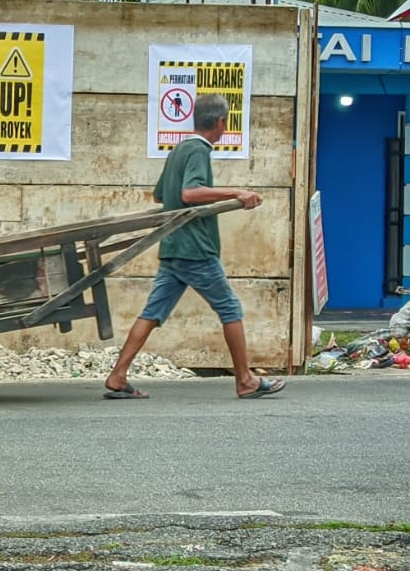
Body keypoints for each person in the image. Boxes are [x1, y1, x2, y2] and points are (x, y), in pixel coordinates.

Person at [102, 92, 284, 402]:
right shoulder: (198, 150)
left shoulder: (179, 150)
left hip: (173, 246)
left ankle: (118, 375)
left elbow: (162, 195)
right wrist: (237, 192)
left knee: (153, 312)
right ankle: (245, 380)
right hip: (195, 248)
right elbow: (189, 193)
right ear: (221, 122)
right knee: (230, 308)